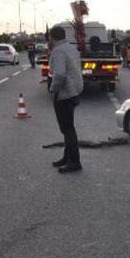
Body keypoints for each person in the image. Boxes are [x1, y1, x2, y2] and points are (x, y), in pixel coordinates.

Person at [48, 26, 84, 173]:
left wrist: (53, 89)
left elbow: (60, 74)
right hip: (74, 91)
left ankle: (75, 162)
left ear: (52, 37)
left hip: (64, 94)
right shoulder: (70, 48)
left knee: (67, 129)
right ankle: (67, 157)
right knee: (68, 128)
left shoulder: (58, 51)